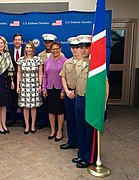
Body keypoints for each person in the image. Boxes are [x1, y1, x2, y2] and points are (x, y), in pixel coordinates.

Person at [72, 35, 109, 168]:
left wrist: (103, 104)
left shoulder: (97, 66)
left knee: (90, 131)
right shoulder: (78, 63)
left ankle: (90, 158)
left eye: (87, 47)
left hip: (91, 101)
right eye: (81, 47)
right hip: (79, 99)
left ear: (91, 48)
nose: (83, 50)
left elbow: (105, 85)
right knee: (80, 129)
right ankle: (82, 153)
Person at [37, 33, 64, 129]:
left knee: (59, 109)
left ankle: (58, 127)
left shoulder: (63, 57)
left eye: (50, 42)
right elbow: (43, 73)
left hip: (58, 86)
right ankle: (46, 124)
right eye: (46, 42)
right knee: (47, 107)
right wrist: (43, 87)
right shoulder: (41, 55)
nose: (48, 44)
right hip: (47, 85)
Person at [59, 37, 81, 149]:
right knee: (71, 120)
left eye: (77, 47)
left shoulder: (86, 62)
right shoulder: (67, 62)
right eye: (73, 47)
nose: (75, 49)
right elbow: (63, 77)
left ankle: (81, 144)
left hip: (81, 95)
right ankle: (71, 142)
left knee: (80, 121)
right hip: (69, 94)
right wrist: (67, 91)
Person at [0, 36, 15, 134]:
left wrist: (12, 81)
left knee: (4, 105)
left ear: (4, 44)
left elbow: (10, 68)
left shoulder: (7, 54)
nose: (0, 45)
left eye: (2, 43)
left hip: (7, 80)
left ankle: (4, 124)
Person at [17, 41, 43, 134]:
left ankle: (33, 125)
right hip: (24, 85)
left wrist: (40, 85)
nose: (28, 49)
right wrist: (18, 86)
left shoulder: (38, 59)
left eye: (30, 47)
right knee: (25, 107)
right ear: (25, 49)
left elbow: (40, 73)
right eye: (27, 48)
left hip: (35, 85)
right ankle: (27, 125)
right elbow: (18, 73)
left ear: (33, 49)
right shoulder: (21, 60)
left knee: (33, 107)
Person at [42, 41, 67, 142]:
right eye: (53, 49)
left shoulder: (65, 61)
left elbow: (65, 77)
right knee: (51, 111)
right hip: (49, 89)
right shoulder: (47, 61)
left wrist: (63, 91)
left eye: (57, 49)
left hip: (59, 89)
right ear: (51, 50)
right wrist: (44, 88)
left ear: (60, 49)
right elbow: (44, 75)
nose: (55, 50)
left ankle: (59, 131)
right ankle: (52, 130)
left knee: (60, 111)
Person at [7, 34, 24, 127]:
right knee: (12, 100)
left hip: (24, 80)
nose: (17, 41)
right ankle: (12, 119)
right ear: (13, 41)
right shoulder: (8, 52)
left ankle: (25, 121)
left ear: (22, 41)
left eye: (19, 40)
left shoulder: (26, 52)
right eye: (15, 40)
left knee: (23, 100)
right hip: (12, 80)